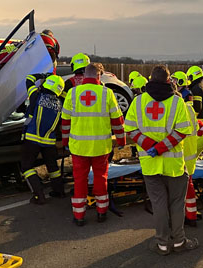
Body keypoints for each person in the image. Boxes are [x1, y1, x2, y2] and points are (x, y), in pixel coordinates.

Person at [125, 65, 197, 255]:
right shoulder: (177, 102)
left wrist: (151, 147)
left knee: (158, 205)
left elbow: (131, 129)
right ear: (168, 81)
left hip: (150, 164)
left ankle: (162, 244)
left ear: (149, 79)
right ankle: (180, 242)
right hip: (173, 165)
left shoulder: (138, 101)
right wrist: (160, 147)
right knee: (176, 204)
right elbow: (182, 130)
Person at [61, 63, 125, 225]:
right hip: (100, 147)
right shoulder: (107, 93)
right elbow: (117, 120)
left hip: (78, 148)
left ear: (84, 76)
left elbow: (65, 121)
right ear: (99, 76)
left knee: (80, 180)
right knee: (100, 178)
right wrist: (121, 139)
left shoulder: (73, 93)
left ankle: (79, 216)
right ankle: (101, 212)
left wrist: (64, 141)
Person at [20, 73, 66, 205]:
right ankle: (59, 191)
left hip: (32, 138)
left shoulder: (36, 95)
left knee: (26, 167)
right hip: (49, 141)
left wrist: (41, 75)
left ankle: (39, 196)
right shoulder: (60, 103)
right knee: (53, 168)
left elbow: (28, 79)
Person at [172, 71, 200, 227]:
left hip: (179, 155)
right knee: (188, 186)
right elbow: (195, 127)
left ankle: (180, 219)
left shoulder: (175, 109)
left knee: (177, 191)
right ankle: (192, 215)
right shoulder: (188, 108)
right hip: (190, 152)